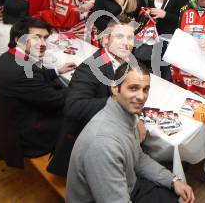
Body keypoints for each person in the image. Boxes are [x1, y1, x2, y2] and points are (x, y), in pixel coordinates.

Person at [66, 62, 195, 203]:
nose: (141, 97)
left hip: (129, 185)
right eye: (133, 88)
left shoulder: (127, 114)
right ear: (115, 88)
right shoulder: (103, 144)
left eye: (145, 89)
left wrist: (172, 180)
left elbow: (137, 158)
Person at [47, 16, 136, 176]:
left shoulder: (124, 60)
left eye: (130, 37)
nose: (126, 43)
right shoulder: (91, 67)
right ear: (106, 40)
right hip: (85, 146)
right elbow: (74, 108)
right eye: (120, 36)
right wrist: (120, 101)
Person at [0, 18, 76, 168]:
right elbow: (56, 100)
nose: (42, 44)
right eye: (36, 37)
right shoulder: (22, 71)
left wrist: (57, 71)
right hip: (27, 136)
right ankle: (64, 167)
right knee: (76, 117)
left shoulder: (11, 57)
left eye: (45, 38)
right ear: (18, 39)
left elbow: (34, 79)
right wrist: (81, 84)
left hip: (12, 123)